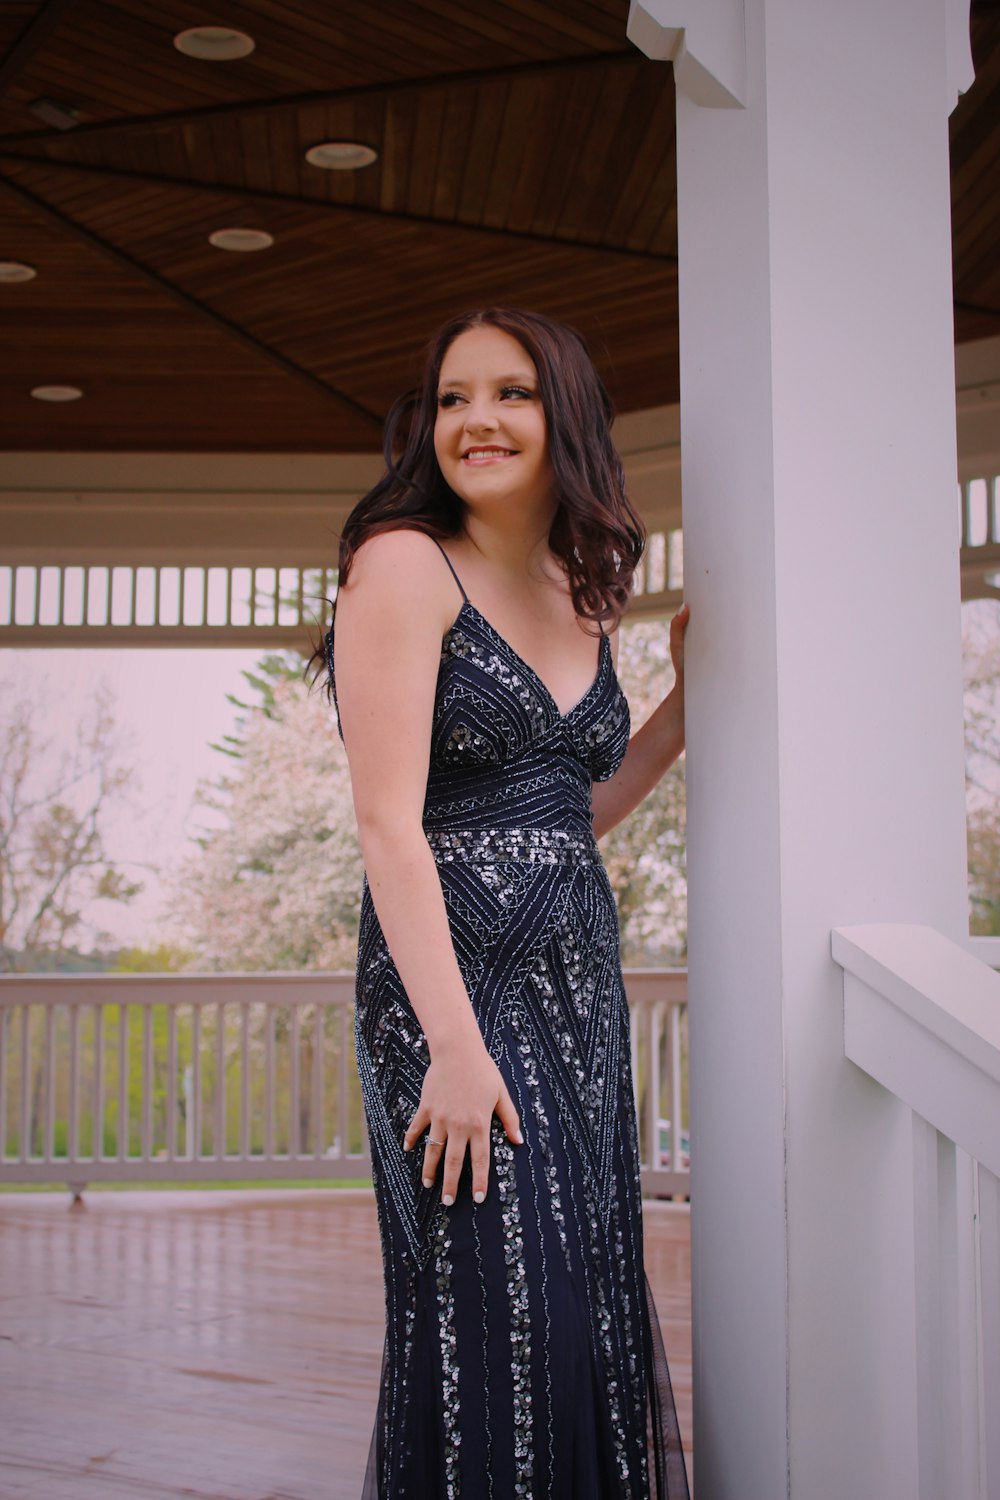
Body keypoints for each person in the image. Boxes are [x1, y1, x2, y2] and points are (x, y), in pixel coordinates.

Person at [315, 306, 691, 1499]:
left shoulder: (583, 591)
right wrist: (455, 1049)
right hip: (449, 1003)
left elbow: (573, 813)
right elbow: (388, 824)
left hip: (577, 992)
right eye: (453, 396)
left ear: (563, 411)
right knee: (495, 1318)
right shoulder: (402, 565)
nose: (476, 420)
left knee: (576, 1302)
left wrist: (685, 703)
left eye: (511, 392)